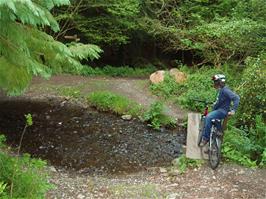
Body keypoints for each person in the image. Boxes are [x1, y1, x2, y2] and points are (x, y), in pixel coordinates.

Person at [201, 74, 240, 145]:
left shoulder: (225, 90)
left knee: (208, 117)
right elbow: (220, 101)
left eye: (215, 82)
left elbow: (236, 98)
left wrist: (233, 110)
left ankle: (205, 138)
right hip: (219, 110)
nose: (214, 83)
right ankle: (218, 131)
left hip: (222, 111)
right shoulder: (221, 90)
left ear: (220, 82)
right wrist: (215, 104)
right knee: (213, 118)